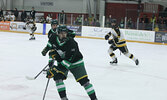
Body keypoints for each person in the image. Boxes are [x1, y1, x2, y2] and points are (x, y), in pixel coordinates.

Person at [41, 26, 98, 100]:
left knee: (85, 82)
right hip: (62, 61)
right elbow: (51, 48)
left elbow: (67, 62)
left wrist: (55, 69)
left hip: (76, 63)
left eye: (65, 33)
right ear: (57, 34)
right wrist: (50, 60)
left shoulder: (72, 43)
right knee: (57, 78)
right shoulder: (53, 37)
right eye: (62, 33)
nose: (64, 35)